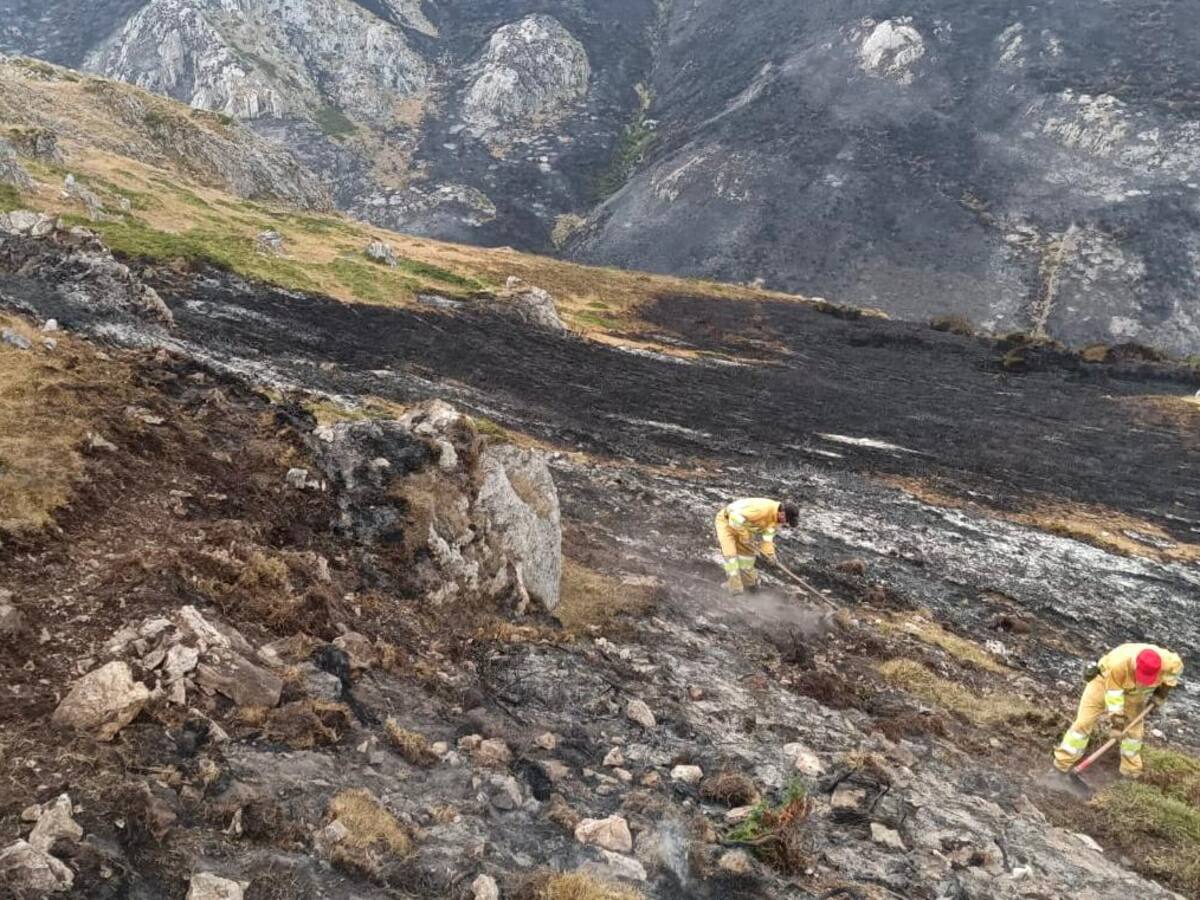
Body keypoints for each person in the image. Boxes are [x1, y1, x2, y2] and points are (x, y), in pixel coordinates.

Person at [1053, 643, 1183, 779]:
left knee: (1133, 733)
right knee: (1083, 723)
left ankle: (1130, 773)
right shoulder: (1119, 664)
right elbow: (1114, 697)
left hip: (1134, 692)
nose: (1144, 681)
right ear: (1135, 665)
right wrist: (1117, 725)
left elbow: (1171, 678)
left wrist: (1160, 695)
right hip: (1103, 682)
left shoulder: (1171, 663)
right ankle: (1061, 766)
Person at [714, 497, 800, 594]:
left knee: (746, 560)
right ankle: (735, 590)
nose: (786, 523)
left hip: (743, 528)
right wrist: (744, 535)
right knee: (731, 557)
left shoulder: (776, 522)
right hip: (726, 523)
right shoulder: (761, 510)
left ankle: (750, 586)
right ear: (782, 512)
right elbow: (734, 517)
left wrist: (770, 555)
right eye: (787, 520)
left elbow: (767, 539)